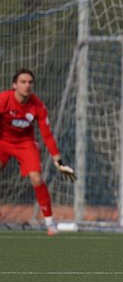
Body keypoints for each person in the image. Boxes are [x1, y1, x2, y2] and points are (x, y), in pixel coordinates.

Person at [0, 68, 76, 235]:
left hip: (25, 144)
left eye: (30, 82)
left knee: (36, 178)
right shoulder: (4, 99)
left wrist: (59, 161)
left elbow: (47, 135)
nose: (27, 85)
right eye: (23, 82)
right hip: (3, 141)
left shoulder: (38, 105)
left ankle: (50, 222)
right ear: (14, 85)